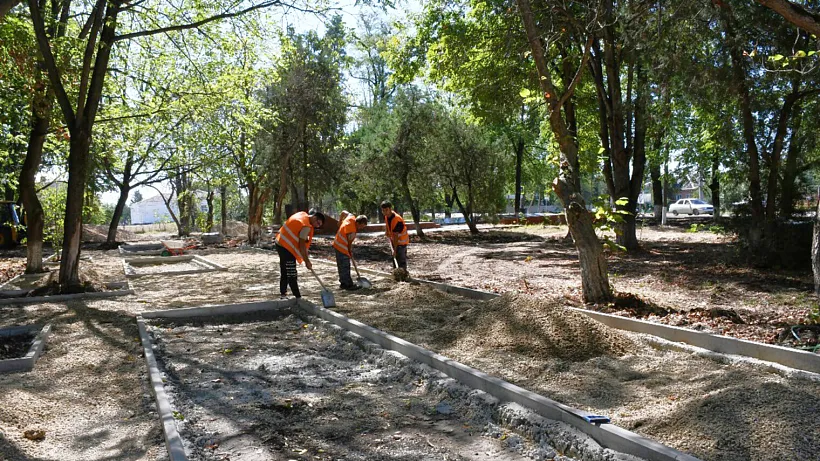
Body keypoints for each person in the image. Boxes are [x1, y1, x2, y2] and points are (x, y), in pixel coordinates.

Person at [275, 210, 324, 299]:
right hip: (285, 246)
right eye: (318, 223)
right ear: (315, 217)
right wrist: (307, 261)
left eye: (319, 225)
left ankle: (283, 293)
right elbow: (302, 246)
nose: (317, 226)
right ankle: (297, 296)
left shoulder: (303, 214)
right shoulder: (306, 226)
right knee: (291, 271)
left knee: (285, 269)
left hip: (280, 241)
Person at [332, 212, 369, 290]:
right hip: (342, 247)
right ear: (358, 222)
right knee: (345, 265)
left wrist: (339, 221)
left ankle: (343, 283)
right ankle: (348, 285)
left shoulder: (351, 217)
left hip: (336, 243)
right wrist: (349, 252)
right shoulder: (352, 230)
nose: (361, 228)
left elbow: (343, 212)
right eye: (361, 226)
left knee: (341, 265)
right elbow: (349, 244)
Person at [381, 201, 409, 269]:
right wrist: (387, 231)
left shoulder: (397, 219)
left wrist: (395, 250)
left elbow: (396, 235)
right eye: (383, 210)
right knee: (395, 259)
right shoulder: (387, 216)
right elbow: (388, 225)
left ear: (390, 209)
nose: (385, 212)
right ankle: (396, 274)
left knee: (401, 261)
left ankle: (403, 275)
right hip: (395, 242)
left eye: (386, 210)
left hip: (401, 243)